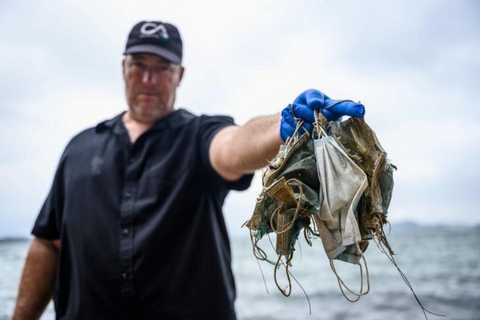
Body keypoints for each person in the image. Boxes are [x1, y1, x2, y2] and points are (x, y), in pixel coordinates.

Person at [12, 21, 364, 320]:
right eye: (139, 64)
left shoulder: (197, 136)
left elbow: (234, 145)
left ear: (179, 75)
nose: (149, 77)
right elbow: (48, 241)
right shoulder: (78, 148)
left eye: (163, 67)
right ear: (123, 68)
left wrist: (280, 126)